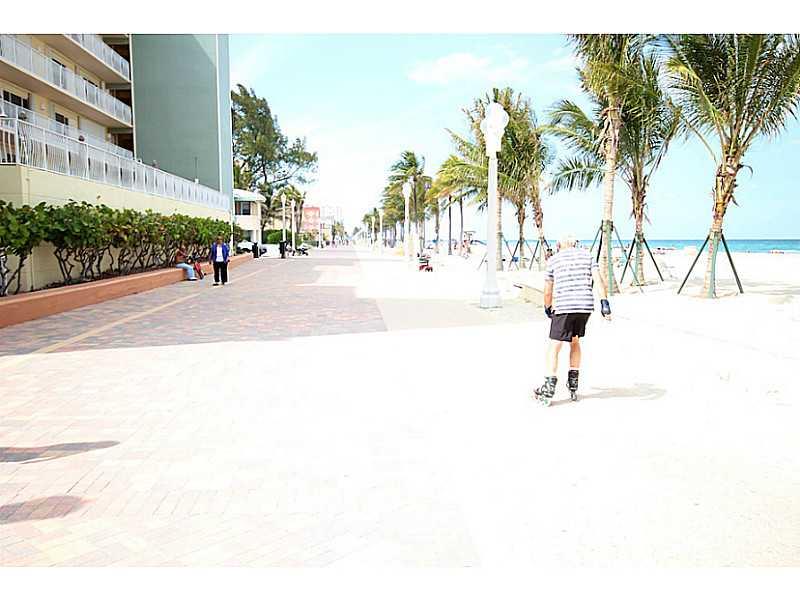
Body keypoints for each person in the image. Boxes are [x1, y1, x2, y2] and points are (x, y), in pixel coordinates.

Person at [533, 234, 611, 406]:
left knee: (555, 345)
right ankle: (573, 383)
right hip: (584, 307)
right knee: (575, 341)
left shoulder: (554, 260)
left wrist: (547, 307)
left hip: (564, 307)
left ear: (559, 246)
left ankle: (548, 388)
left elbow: (548, 289)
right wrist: (604, 303)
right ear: (575, 244)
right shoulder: (587, 256)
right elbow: (598, 279)